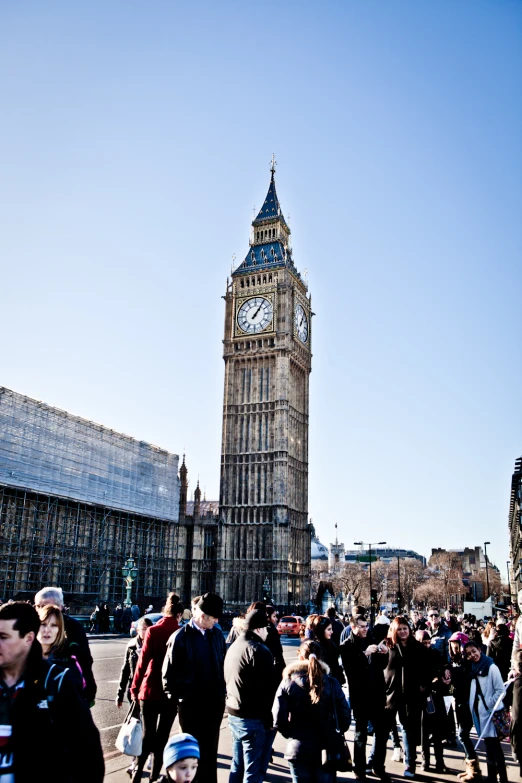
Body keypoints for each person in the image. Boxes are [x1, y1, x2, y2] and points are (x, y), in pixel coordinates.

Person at [0, 600, 104, 783]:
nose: (47, 630)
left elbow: (88, 754)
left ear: (28, 638)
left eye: (4, 637)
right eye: (43, 625)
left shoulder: (59, 680)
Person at [162, 592, 226, 783]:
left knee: (210, 755)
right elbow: (168, 677)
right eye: (214, 618)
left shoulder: (216, 636)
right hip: (192, 709)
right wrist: (180, 700)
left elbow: (222, 666)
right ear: (203, 616)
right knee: (191, 757)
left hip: (214, 707)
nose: (216, 622)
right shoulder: (180, 637)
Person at [273, 639, 351, 783]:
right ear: (321, 658)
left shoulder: (288, 682)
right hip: (326, 747)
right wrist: (336, 729)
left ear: (300, 657)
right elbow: (345, 714)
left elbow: (278, 717)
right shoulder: (331, 682)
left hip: (298, 747)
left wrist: (290, 733)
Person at [130, 592, 183, 782]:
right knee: (162, 739)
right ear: (179, 614)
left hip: (149, 690)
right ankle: (154, 777)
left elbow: (142, 663)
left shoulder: (152, 631)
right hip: (170, 694)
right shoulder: (182, 632)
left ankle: (137, 773)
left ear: (164, 612)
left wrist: (134, 688)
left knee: (147, 736)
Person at [224, 608, 275, 782]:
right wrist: (269, 720)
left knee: (237, 765)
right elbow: (267, 690)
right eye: (266, 628)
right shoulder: (259, 650)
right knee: (253, 769)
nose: (267, 632)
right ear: (259, 629)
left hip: (233, 712)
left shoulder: (234, 646)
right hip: (252, 717)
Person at [340, 614, 389, 782]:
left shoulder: (371, 639)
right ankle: (359, 769)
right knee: (360, 734)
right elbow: (350, 670)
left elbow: (381, 666)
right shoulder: (347, 646)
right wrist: (365, 654)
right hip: (360, 695)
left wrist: (384, 653)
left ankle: (378, 766)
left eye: (366, 625)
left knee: (382, 731)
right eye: (361, 626)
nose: (365, 629)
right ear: (353, 628)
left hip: (377, 693)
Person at [382, 615, 431, 780]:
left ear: (410, 630)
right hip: (391, 693)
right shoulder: (388, 646)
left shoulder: (417, 647)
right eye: (400, 629)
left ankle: (410, 763)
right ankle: (376, 761)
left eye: (405, 628)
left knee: (407, 729)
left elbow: (430, 663)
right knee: (383, 729)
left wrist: (424, 684)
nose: (403, 632)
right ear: (394, 630)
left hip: (410, 694)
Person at [34, 586, 97, 705]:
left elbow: (84, 660)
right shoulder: (30, 624)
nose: (40, 610)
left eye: (45, 606)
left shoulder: (73, 628)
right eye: (38, 606)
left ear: (60, 607)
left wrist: (88, 691)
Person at [465, 639, 508, 783]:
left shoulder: (490, 666)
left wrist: (490, 704)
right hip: (481, 713)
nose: (472, 655)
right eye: (469, 654)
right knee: (490, 747)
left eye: (474, 651)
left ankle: (500, 778)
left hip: (492, 713)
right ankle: (493, 777)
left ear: (480, 650)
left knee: (494, 748)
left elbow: (501, 690)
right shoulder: (473, 667)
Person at [449, 632, 481, 781]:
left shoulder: (468, 663)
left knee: (463, 734)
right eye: (453, 647)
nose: (455, 650)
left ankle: (474, 770)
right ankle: (471, 768)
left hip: (469, 701)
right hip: (459, 701)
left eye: (457, 647)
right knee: (463, 734)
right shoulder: (454, 661)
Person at [37, 603, 85, 693]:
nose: (47, 630)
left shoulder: (68, 660)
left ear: (59, 629)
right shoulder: (23, 658)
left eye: (53, 625)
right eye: (43, 624)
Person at [311, 615, 345, 686]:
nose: (332, 632)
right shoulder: (315, 647)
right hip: (325, 684)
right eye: (329, 629)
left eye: (331, 629)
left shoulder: (329, 642)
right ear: (321, 630)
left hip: (334, 682)